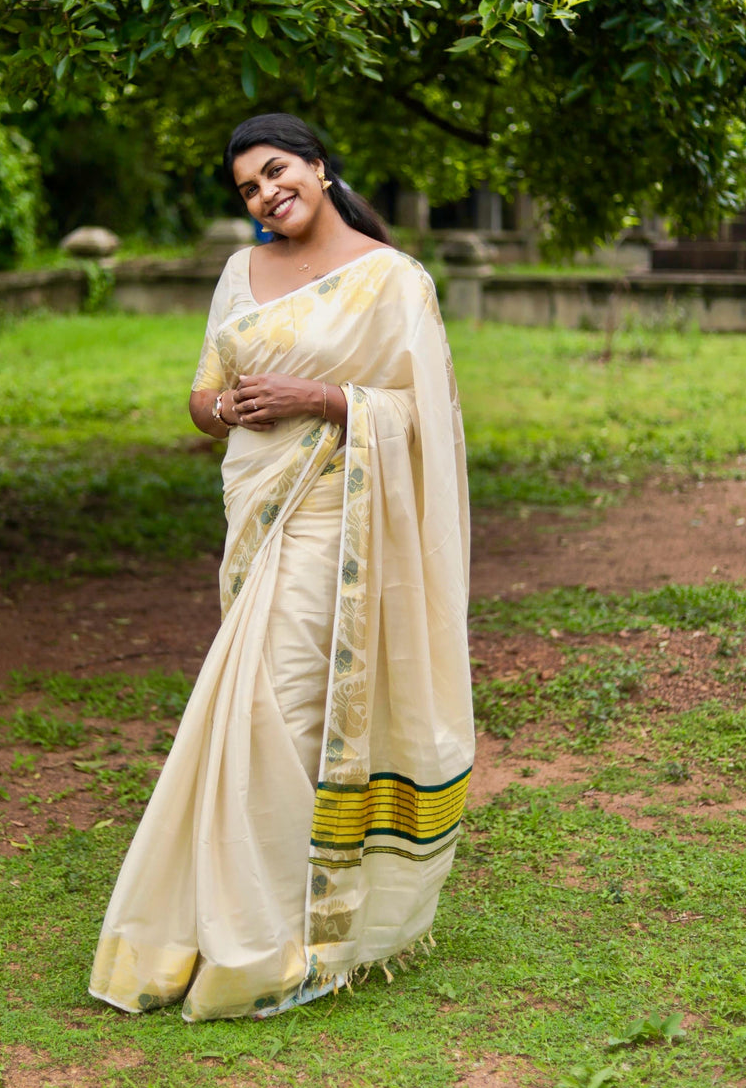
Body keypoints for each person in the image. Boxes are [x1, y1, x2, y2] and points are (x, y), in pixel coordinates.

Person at [89, 113, 474, 1022]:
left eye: (276, 172)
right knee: (258, 714)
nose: (266, 195)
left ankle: (269, 937)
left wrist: (324, 398)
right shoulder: (239, 273)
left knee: (277, 711)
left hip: (338, 526)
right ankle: (242, 920)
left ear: (318, 166)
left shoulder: (392, 281)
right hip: (258, 519)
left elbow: (426, 419)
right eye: (249, 188)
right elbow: (200, 395)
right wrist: (223, 408)